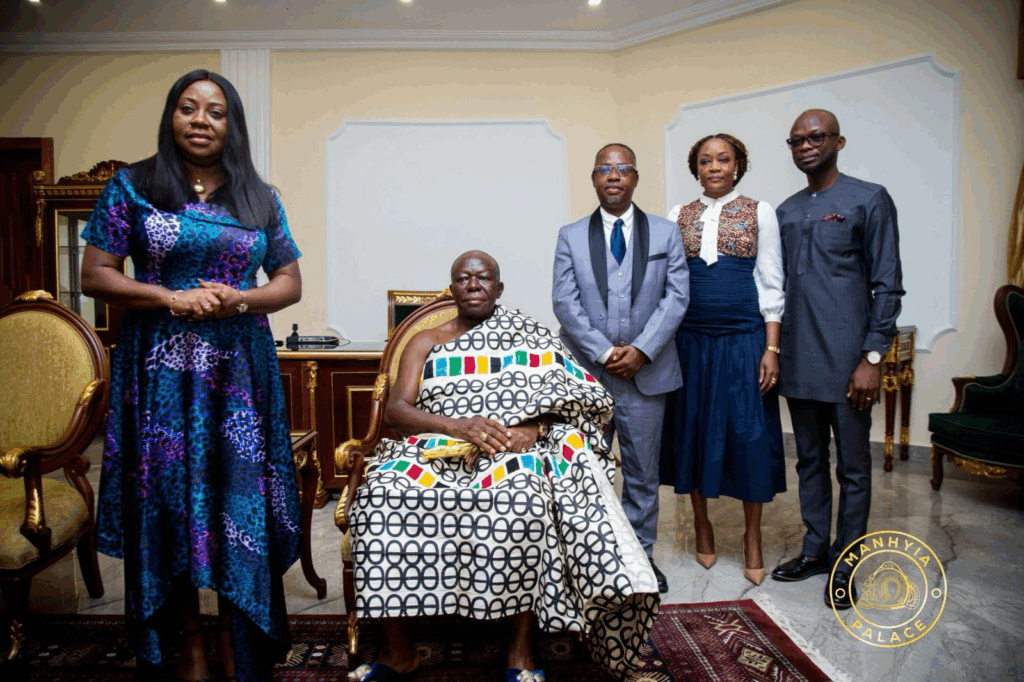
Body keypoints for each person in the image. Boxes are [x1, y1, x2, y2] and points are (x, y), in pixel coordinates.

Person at [80, 69, 303, 682]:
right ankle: (190, 647)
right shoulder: (133, 186)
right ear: (171, 116)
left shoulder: (259, 196)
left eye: (216, 111)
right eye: (188, 107)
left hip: (238, 375)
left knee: (239, 502)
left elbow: (289, 282)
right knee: (170, 505)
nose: (201, 120)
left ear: (233, 124)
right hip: (160, 374)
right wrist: (169, 297)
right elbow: (95, 274)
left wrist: (240, 299)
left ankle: (239, 641)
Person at [346, 251, 659, 682]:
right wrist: (458, 426)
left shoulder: (530, 337)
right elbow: (397, 410)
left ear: (499, 288)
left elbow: (574, 401)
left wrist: (533, 427)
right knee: (381, 492)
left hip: (506, 452)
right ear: (452, 289)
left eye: (484, 278)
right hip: (434, 448)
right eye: (464, 278)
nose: (474, 285)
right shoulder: (425, 340)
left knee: (525, 497)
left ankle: (520, 650)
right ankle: (399, 650)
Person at [770, 110, 904, 610]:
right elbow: (776, 287)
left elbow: (888, 284)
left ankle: (846, 562)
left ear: (838, 142)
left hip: (850, 362)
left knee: (852, 467)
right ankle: (814, 550)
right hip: (799, 358)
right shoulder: (786, 211)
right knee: (808, 459)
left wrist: (872, 356)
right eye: (796, 140)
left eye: (816, 137)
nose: (806, 146)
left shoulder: (869, 198)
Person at [552, 143, 689, 594]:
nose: (614, 175)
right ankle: (589, 561)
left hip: (647, 375)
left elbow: (677, 298)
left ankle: (640, 559)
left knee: (643, 474)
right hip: (588, 376)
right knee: (585, 473)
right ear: (594, 178)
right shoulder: (570, 235)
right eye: (604, 169)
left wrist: (642, 351)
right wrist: (605, 353)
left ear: (635, 178)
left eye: (623, 168)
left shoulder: (666, 233)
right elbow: (564, 302)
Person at [660, 133, 787, 586]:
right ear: (696, 169)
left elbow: (771, 282)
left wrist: (771, 348)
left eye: (723, 159)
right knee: (693, 432)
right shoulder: (677, 215)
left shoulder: (759, 211)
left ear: (738, 166)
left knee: (750, 435)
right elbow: (669, 283)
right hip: (690, 343)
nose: (714, 167)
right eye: (705, 160)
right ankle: (702, 525)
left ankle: (753, 536)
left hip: (744, 341)